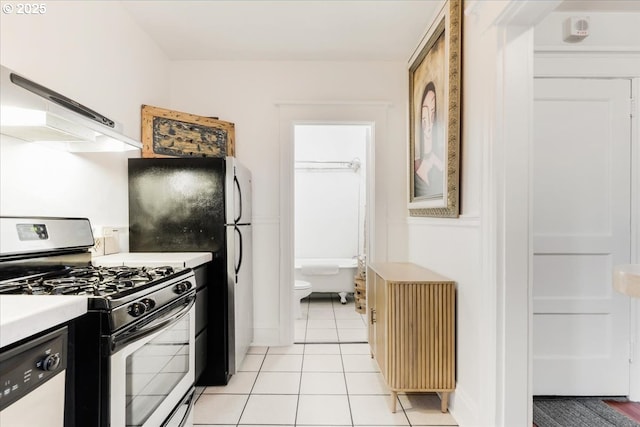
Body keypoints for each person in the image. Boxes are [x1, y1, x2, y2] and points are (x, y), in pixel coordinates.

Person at [414, 81, 444, 199]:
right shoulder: (417, 164)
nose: (428, 128)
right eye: (424, 120)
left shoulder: (440, 161)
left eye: (432, 117)